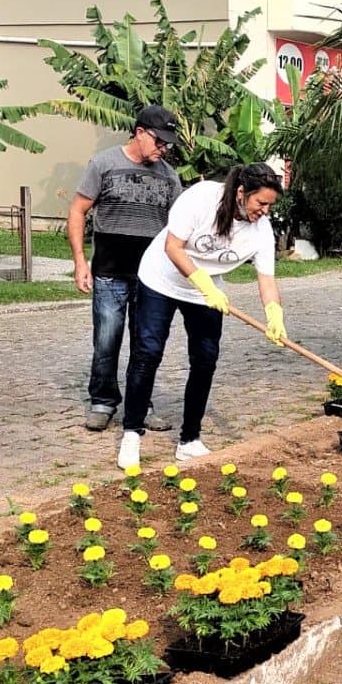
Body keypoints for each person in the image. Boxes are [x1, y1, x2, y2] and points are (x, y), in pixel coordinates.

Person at [117, 162, 287, 468]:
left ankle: (190, 440)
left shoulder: (261, 231)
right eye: (260, 202)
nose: (264, 210)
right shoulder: (202, 198)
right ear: (240, 193)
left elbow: (267, 280)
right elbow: (173, 247)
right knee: (148, 353)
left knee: (205, 359)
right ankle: (131, 434)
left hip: (205, 292)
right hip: (161, 279)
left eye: (270, 206)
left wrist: (274, 314)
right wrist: (204, 284)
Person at [68, 105, 183, 433]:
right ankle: (103, 401)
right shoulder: (104, 164)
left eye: (168, 145)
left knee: (145, 345)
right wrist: (79, 261)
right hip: (109, 273)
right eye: (160, 142)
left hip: (152, 280)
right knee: (107, 340)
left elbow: (178, 228)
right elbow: (78, 211)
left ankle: (140, 405)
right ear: (140, 132)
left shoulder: (169, 177)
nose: (164, 149)